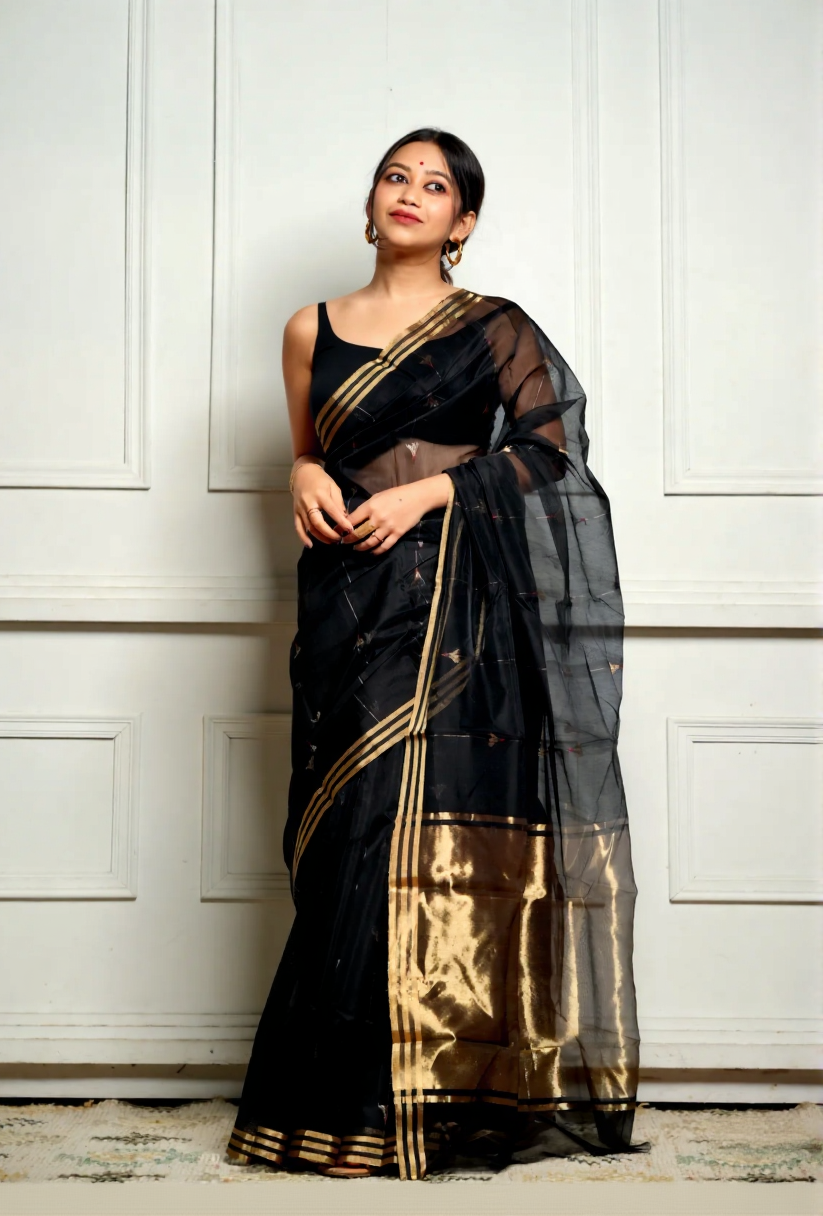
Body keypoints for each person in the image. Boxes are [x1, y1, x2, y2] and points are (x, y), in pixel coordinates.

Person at [226, 127, 649, 1180]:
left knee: (421, 838)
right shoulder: (310, 327)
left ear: (463, 221)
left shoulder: (493, 327)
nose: (410, 193)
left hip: (459, 607)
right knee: (343, 836)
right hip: (346, 599)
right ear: (371, 201)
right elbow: (311, 451)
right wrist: (300, 476)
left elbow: (550, 450)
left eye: (436, 184)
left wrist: (429, 492)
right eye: (394, 176)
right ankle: (334, 1100)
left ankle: (425, 1102)